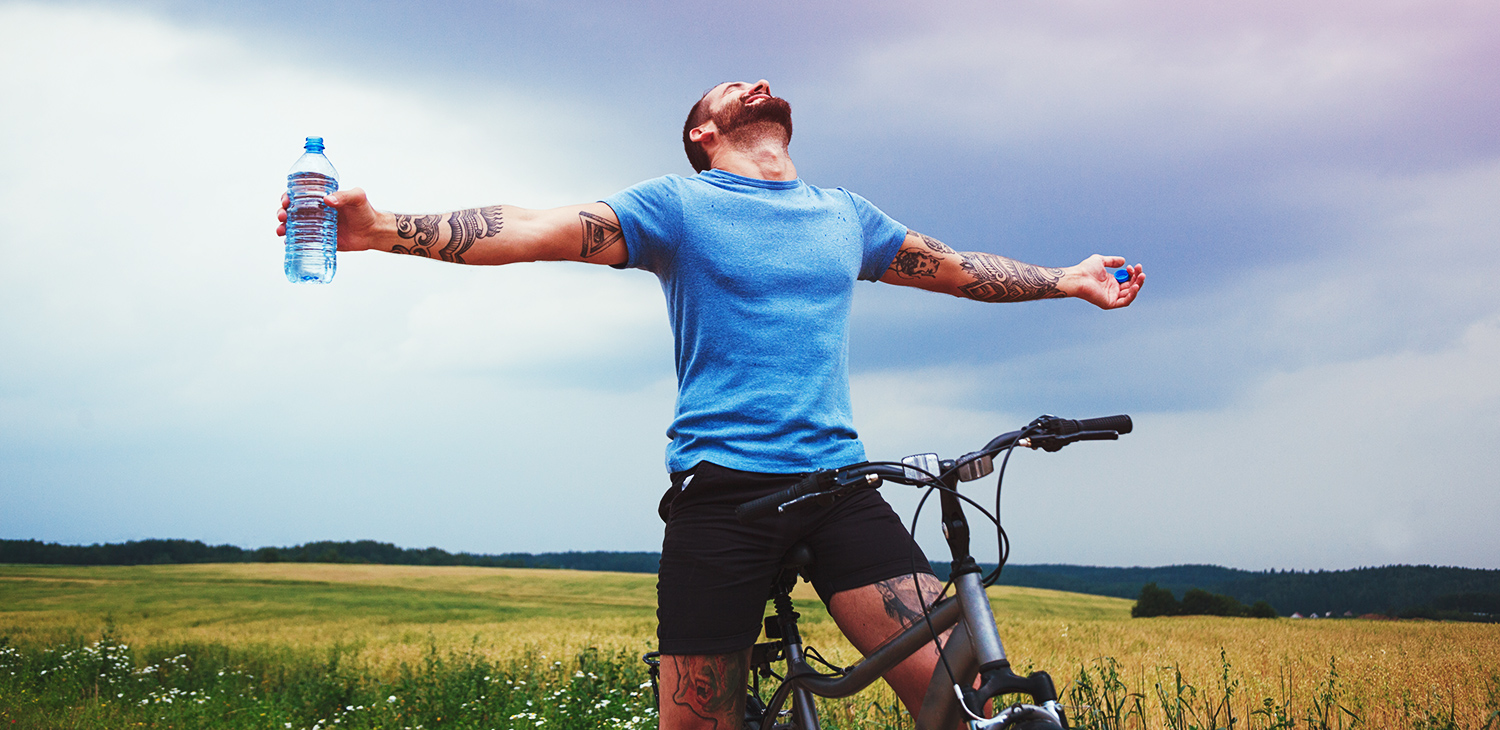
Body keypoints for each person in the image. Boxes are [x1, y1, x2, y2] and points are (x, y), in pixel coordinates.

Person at [276, 79, 1143, 730]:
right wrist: (382, 227)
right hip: (722, 495)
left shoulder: (845, 215)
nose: (757, 84)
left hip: (840, 483)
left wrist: (1067, 280)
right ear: (706, 130)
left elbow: (954, 267)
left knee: (960, 696)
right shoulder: (679, 204)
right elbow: (535, 227)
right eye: (734, 87)